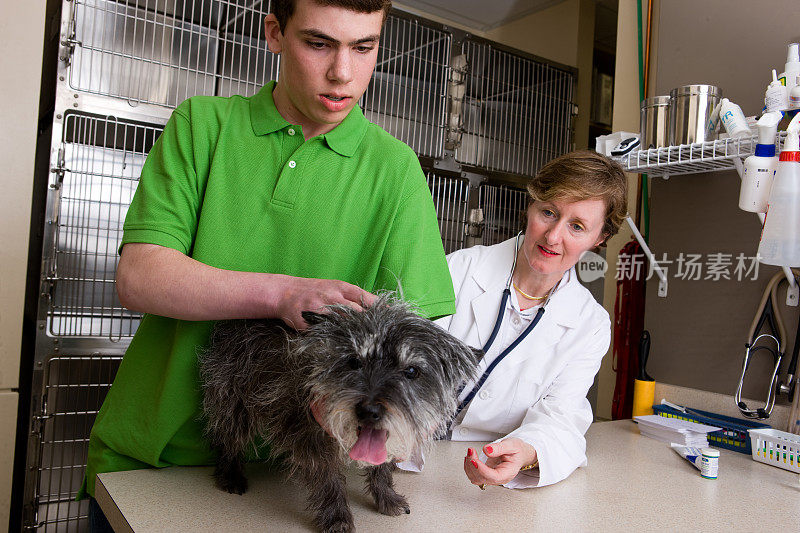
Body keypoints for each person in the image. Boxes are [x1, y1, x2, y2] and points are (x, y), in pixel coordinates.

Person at [79, 0, 456, 519]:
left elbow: (420, 330)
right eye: (318, 43)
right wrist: (282, 294)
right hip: (154, 460)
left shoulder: (395, 169)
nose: (343, 73)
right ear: (275, 33)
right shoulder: (203, 125)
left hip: (307, 477)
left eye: (363, 47)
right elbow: (139, 276)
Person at [422, 150, 627, 489]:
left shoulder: (589, 325)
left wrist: (528, 451)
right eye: (548, 212)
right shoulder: (458, 270)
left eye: (577, 227)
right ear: (531, 205)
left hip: (484, 478)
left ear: (600, 238)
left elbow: (561, 418)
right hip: (402, 457)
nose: (553, 236)